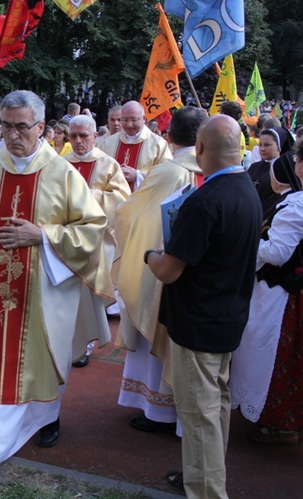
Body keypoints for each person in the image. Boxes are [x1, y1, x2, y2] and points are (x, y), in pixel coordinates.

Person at [0, 90, 113, 489]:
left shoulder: (62, 173)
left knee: (43, 365)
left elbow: (93, 228)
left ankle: (48, 417)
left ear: (41, 127)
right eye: (6, 126)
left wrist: (44, 236)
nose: (13, 134)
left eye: (22, 126)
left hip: (44, 293)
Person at [146, 114, 262, 497]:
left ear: (199, 150)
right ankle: (206, 475)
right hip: (227, 315)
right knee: (215, 409)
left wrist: (151, 255)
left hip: (198, 322)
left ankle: (208, 490)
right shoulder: (246, 187)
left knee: (199, 416)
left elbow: (168, 271)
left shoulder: (205, 200)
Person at [230, 134, 303, 445]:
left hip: (290, 298)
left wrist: (248, 245)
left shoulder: (300, 205)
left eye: (297, 161)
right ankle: (295, 417)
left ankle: (281, 422)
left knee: (277, 356)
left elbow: (277, 252)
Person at [114, 106, 206, 434]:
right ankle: (182, 415)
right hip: (201, 276)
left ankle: (158, 410)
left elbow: (132, 215)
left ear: (169, 136)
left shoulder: (170, 171)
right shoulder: (216, 170)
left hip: (166, 270)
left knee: (156, 334)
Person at [64, 114, 130, 366]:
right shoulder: (60, 163)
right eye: (74, 136)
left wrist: (87, 195)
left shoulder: (107, 164)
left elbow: (121, 199)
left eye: (84, 136)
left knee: (88, 293)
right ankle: (64, 340)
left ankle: (86, 344)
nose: (78, 141)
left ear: (95, 136)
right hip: (64, 239)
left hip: (95, 240)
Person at [98, 101, 171, 191]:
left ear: (144, 119)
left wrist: (137, 175)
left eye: (133, 120)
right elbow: (98, 172)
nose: (129, 124)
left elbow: (167, 174)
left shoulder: (158, 144)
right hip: (114, 202)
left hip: (144, 201)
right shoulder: (107, 143)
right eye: (124, 120)